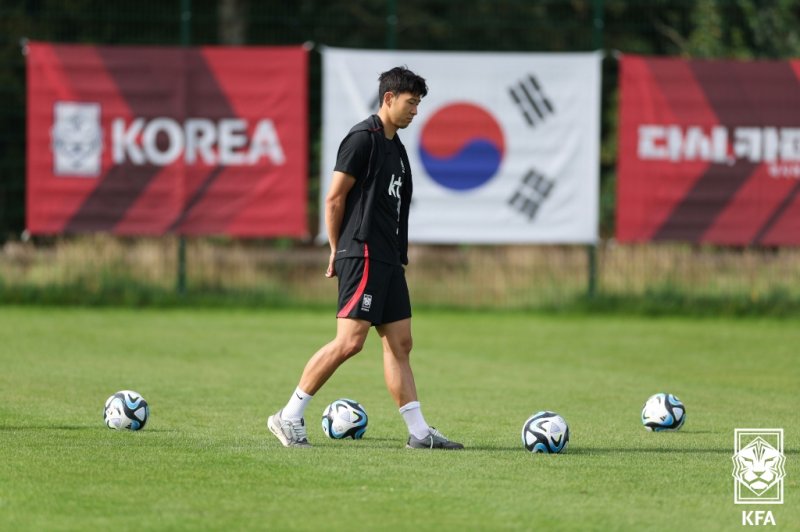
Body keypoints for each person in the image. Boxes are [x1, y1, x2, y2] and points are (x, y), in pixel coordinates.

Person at [267, 66, 463, 450]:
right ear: (389, 98)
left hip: (388, 258)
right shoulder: (362, 139)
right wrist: (336, 250)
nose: (415, 111)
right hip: (363, 253)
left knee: (400, 343)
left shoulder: (398, 149)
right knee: (351, 341)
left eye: (419, 104)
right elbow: (334, 198)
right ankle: (287, 416)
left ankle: (420, 434)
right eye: (411, 103)